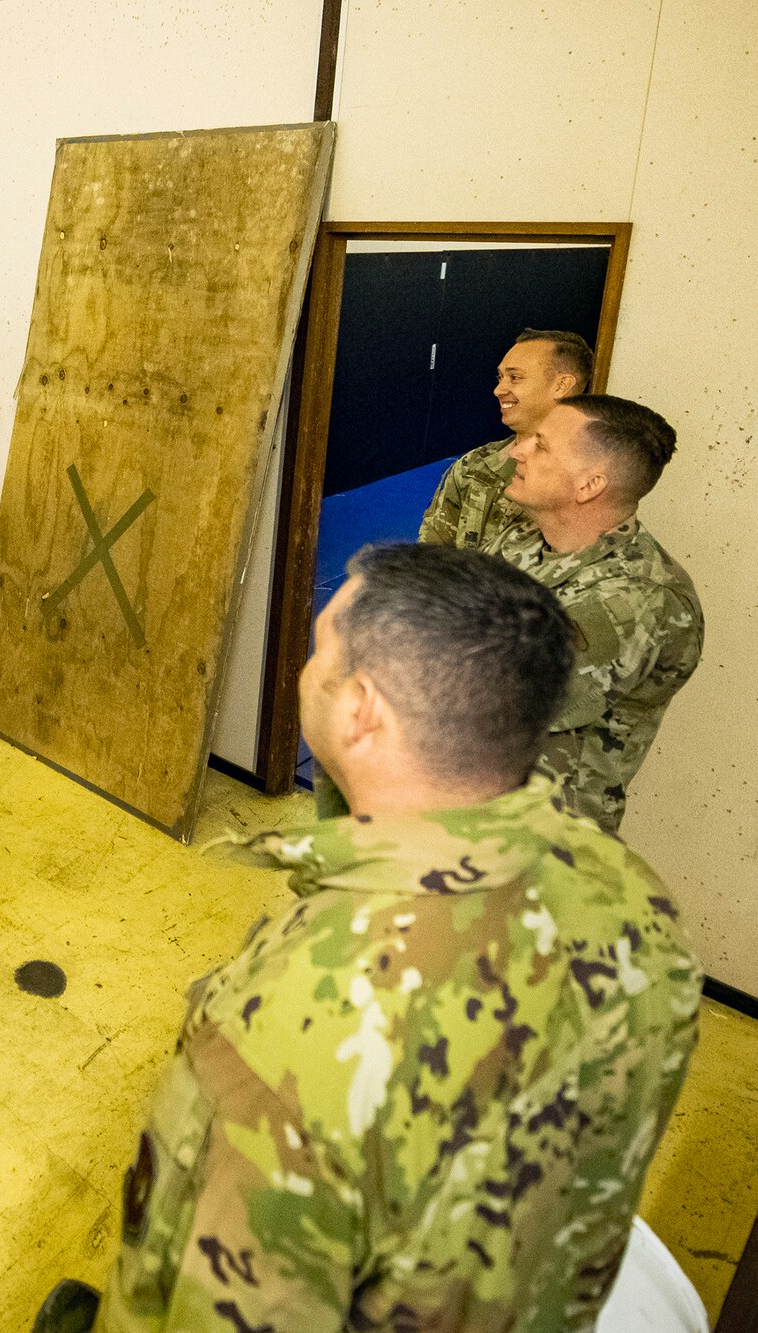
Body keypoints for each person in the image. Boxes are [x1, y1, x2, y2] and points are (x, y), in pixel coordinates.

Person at [39, 543, 700, 1333]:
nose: (308, 667)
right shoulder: (630, 890)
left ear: (360, 710)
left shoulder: (295, 1032)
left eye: (321, 650)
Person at [482, 393, 703, 832]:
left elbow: (482, 702)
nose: (516, 450)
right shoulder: (522, 537)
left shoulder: (638, 599)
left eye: (540, 445)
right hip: (472, 812)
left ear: (589, 485)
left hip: (546, 842)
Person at [418, 328, 593, 549]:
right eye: (501, 377)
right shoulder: (475, 465)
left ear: (561, 386)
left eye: (515, 378)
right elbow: (431, 556)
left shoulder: (591, 481)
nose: (499, 390)